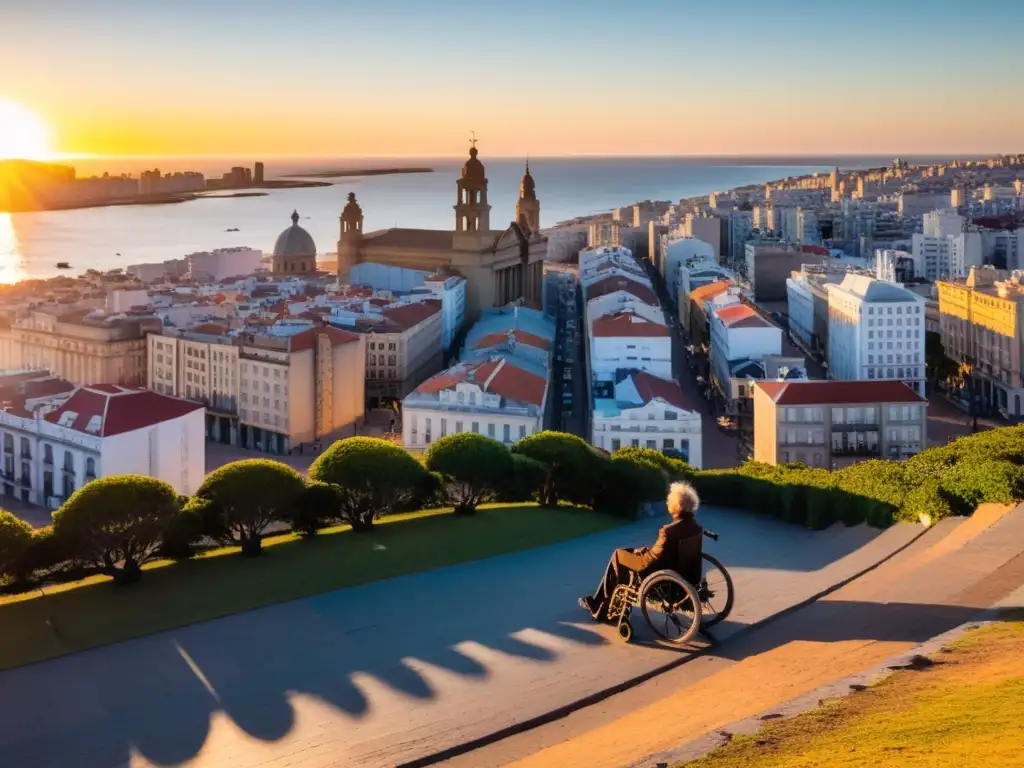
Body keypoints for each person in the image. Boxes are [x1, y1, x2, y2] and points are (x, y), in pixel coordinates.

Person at [579, 481, 703, 621]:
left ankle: (600, 605)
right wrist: (643, 551)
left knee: (618, 554)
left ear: (677, 505)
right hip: (680, 569)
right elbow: (661, 552)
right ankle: (604, 600)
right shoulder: (696, 527)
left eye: (669, 500)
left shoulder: (668, 531)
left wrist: (642, 553)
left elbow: (650, 560)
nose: (667, 502)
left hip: (654, 570)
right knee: (628, 552)